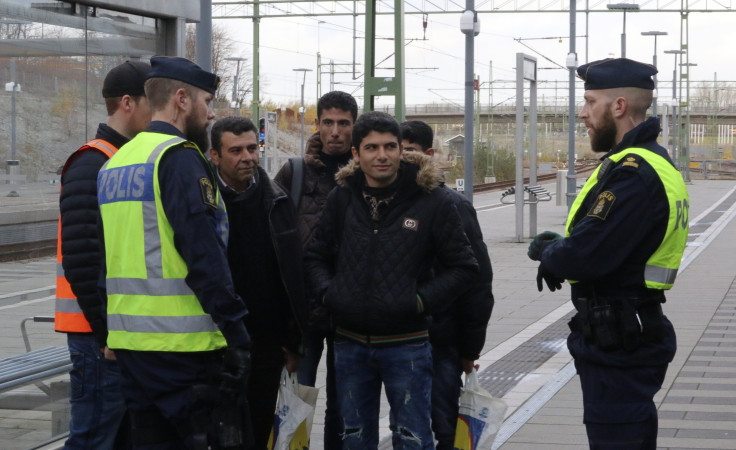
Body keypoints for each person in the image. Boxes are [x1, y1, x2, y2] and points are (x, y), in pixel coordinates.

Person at [527, 58, 689, 449]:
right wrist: (563, 248)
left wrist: (553, 253)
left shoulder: (633, 173)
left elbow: (586, 253)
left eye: (589, 102)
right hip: (629, 328)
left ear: (617, 107)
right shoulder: (653, 162)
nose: (582, 114)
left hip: (621, 338)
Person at [97, 56, 252, 449]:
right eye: (206, 101)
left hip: (132, 347)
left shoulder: (117, 163)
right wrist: (236, 331)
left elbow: (107, 255)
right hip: (183, 349)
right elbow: (203, 253)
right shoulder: (178, 158)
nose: (211, 112)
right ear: (181, 100)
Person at [305, 111, 478, 449]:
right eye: (371, 148)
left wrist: (417, 301)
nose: (381, 155)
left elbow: (464, 267)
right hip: (349, 342)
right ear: (356, 154)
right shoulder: (342, 197)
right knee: (353, 436)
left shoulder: (432, 201)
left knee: (412, 436)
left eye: (389, 147)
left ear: (401, 150)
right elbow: (315, 256)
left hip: (407, 343)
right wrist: (331, 294)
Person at [56, 60, 152, 449]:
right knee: (93, 439)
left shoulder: (122, 159)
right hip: (97, 338)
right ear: (128, 103)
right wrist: (105, 330)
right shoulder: (93, 162)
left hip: (115, 334)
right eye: (152, 100)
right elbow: (82, 257)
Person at [209, 116, 306, 448]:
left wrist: (293, 342)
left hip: (265, 344)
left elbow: (292, 276)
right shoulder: (203, 205)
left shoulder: (276, 201)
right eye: (235, 150)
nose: (247, 157)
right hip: (214, 343)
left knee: (258, 429)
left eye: (252, 148)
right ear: (215, 156)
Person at [399, 120, 494, 450]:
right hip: (397, 337)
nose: (402, 160)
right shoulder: (384, 206)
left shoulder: (453, 206)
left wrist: (470, 348)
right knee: (406, 426)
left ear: (428, 155)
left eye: (409, 151)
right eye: (398, 152)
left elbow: (478, 283)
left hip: (441, 340)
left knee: (445, 426)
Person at [274, 90, 358, 448]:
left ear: (354, 127)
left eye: (343, 123)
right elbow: (272, 241)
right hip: (303, 315)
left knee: (344, 408)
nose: (335, 131)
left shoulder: (366, 175)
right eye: (328, 122)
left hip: (349, 313)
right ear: (317, 124)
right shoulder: (294, 173)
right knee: (296, 403)